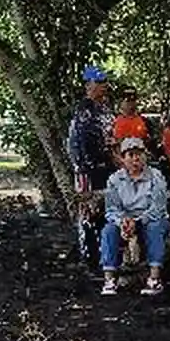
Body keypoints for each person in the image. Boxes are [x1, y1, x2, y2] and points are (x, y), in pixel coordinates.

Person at [100, 137, 170, 296]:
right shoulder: (115, 179)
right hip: (125, 219)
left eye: (139, 154)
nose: (135, 159)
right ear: (123, 158)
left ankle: (154, 278)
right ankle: (109, 279)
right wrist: (122, 222)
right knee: (108, 230)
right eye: (130, 155)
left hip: (150, 218)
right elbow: (111, 209)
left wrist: (137, 222)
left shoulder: (156, 176)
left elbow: (158, 208)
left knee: (154, 227)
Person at [68, 65, 114, 270]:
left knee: (104, 210)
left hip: (107, 169)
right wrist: (84, 168)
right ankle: (89, 256)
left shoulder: (105, 109)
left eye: (105, 82)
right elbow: (79, 143)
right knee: (88, 210)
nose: (104, 86)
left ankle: (104, 254)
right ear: (88, 85)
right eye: (99, 82)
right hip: (88, 170)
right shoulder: (84, 110)